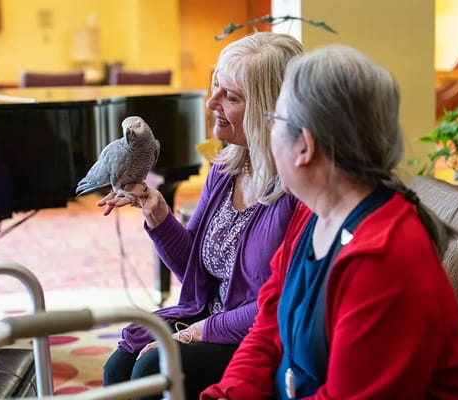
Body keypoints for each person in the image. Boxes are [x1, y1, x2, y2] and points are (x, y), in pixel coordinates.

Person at [201, 44, 458, 399]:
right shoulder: (312, 213)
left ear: (304, 146)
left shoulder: (383, 257)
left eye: (274, 121)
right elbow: (267, 327)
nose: (266, 134)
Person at [97, 31, 304, 399]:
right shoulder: (226, 170)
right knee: (120, 364)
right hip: (207, 317)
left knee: (153, 366)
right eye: (215, 88)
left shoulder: (297, 191)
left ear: (269, 109)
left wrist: (197, 331)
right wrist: (158, 215)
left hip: (260, 338)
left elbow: (280, 302)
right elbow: (196, 274)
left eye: (231, 96)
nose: (211, 102)